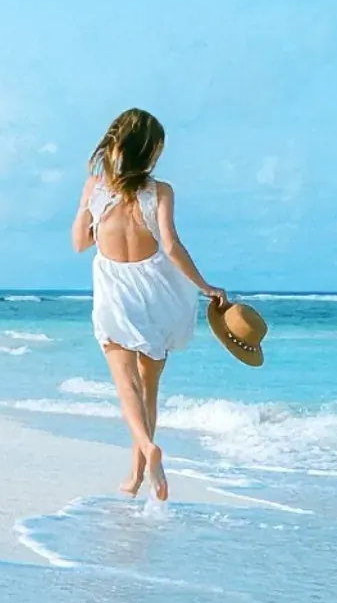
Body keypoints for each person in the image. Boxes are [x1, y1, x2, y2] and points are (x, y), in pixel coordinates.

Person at [70, 108, 225, 502]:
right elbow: (171, 246)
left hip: (115, 293)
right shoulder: (161, 191)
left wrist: (90, 212)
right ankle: (137, 474)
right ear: (152, 151)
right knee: (149, 389)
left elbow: (79, 243)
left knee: (126, 387)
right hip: (157, 290)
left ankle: (147, 453)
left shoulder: (95, 187)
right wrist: (205, 286)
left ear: (116, 144)